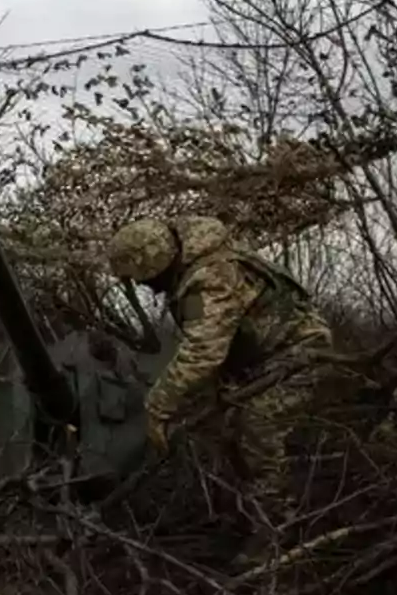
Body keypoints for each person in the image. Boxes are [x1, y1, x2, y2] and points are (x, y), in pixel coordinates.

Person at [106, 216, 331, 563]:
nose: (146, 288)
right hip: (260, 360)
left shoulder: (210, 276)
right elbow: (221, 346)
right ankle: (248, 513)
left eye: (143, 278)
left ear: (154, 262)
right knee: (228, 430)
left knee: (258, 427)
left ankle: (277, 534)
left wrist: (158, 406)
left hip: (298, 352)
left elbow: (204, 352)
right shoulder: (195, 271)